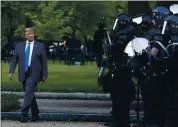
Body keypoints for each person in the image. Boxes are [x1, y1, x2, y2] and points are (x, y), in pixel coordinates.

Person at [8, 28, 48, 122]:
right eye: (29, 34)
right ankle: (35, 115)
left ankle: (24, 115)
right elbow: (14, 59)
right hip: (23, 72)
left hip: (34, 73)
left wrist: (45, 74)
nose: (31, 35)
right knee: (30, 94)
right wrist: (11, 72)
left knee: (28, 92)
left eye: (32, 33)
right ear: (25, 35)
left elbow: (44, 61)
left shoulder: (40, 45)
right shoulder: (19, 46)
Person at [141, 6, 171, 127]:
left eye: (155, 17)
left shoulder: (160, 34)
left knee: (155, 101)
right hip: (160, 72)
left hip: (159, 72)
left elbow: (152, 52)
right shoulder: (160, 32)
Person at [107, 13, 136, 127]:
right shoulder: (128, 31)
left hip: (123, 68)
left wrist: (110, 47)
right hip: (121, 68)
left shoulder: (125, 32)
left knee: (120, 96)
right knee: (117, 95)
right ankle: (118, 119)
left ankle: (121, 121)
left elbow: (119, 46)